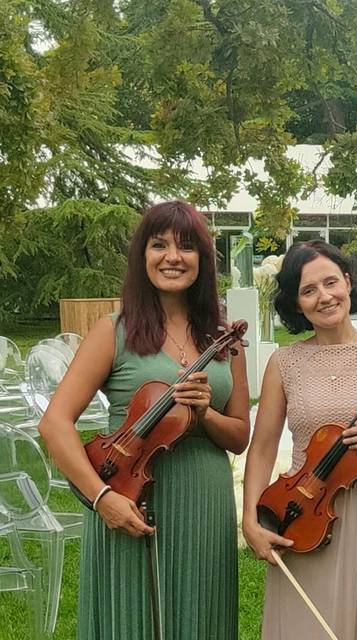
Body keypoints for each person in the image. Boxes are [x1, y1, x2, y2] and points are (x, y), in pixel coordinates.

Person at [39, 200, 251, 639]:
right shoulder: (114, 330)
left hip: (204, 502)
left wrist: (204, 413)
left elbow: (239, 436)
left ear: (202, 261)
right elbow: (55, 424)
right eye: (159, 245)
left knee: (201, 617)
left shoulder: (223, 338)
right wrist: (102, 498)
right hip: (126, 494)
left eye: (186, 247)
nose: (173, 257)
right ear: (142, 257)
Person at [241, 240, 357, 640]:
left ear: (347, 282)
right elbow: (261, 448)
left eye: (331, 282)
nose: (324, 296)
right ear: (296, 303)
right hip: (301, 512)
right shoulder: (284, 363)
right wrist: (250, 520)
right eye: (309, 291)